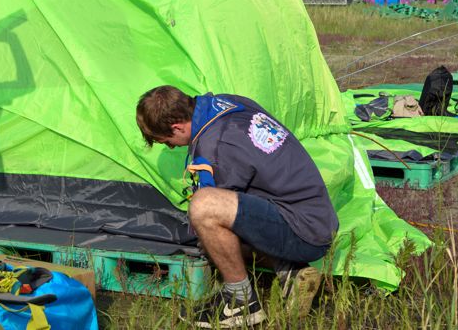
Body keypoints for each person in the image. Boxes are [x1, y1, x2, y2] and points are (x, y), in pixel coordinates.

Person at [136, 86, 339, 328]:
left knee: (204, 210)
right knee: (226, 216)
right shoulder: (227, 104)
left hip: (304, 231)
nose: (171, 147)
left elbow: (216, 216)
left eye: (167, 141)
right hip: (315, 216)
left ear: (178, 127)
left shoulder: (215, 145)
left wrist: (207, 243)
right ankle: (290, 271)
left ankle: (241, 301)